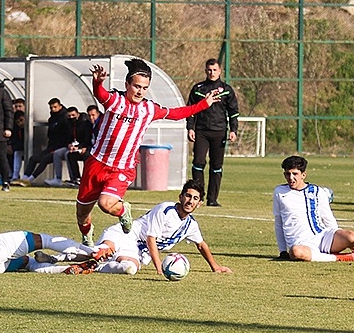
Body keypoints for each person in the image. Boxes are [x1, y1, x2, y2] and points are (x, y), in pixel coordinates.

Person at [76, 59, 220, 246]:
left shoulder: (149, 109)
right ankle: (86, 236)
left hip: (122, 168)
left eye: (144, 88)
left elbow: (177, 113)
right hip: (96, 163)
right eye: (136, 86)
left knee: (105, 203)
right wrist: (97, 82)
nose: (140, 91)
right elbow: (100, 94)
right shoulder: (115, 101)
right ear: (127, 84)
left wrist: (204, 104)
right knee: (82, 214)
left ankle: (122, 211)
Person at [37, 179, 232, 275]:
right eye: (188, 196)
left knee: (129, 268)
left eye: (195, 199)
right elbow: (151, 239)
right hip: (124, 234)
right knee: (99, 251)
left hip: (137, 252)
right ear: (180, 197)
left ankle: (88, 267)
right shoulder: (165, 210)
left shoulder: (191, 225)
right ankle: (53, 256)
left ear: (199, 204)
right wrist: (159, 268)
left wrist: (215, 267)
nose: (190, 201)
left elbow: (201, 245)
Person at [273, 156, 354, 262]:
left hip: (323, 237)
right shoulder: (279, 192)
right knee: (296, 252)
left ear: (303, 175)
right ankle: (343, 258)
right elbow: (279, 223)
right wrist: (283, 251)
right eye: (288, 174)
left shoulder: (317, 191)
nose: (291, 178)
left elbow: (328, 218)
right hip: (300, 243)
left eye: (295, 174)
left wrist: (337, 234)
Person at [186, 58, 240, 207]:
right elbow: (191, 110)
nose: (212, 73)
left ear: (220, 71)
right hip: (201, 131)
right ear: (205, 71)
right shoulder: (198, 88)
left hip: (220, 132)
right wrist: (190, 127)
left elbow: (233, 112)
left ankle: (212, 199)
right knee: (198, 163)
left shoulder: (227, 90)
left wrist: (233, 130)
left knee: (216, 166)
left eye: (215, 70)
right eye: (209, 70)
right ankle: (198, 197)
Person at [12, 98, 70, 187]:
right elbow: (51, 135)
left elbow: (66, 135)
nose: (53, 109)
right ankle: (24, 178)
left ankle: (30, 179)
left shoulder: (65, 118)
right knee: (33, 158)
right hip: (52, 146)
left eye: (55, 107)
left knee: (44, 159)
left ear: (60, 106)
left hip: (60, 147)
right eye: (51, 108)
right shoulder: (52, 119)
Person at [64, 105, 99, 187]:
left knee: (87, 156)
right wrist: (79, 147)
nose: (91, 117)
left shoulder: (100, 124)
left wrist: (84, 147)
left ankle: (88, 180)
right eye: (89, 115)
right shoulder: (88, 124)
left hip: (96, 150)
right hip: (86, 147)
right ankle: (76, 179)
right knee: (70, 155)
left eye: (93, 115)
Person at [10, 110, 25, 181]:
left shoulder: (31, 128)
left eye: (21, 120)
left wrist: (13, 148)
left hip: (32, 148)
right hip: (20, 148)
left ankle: (15, 176)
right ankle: (10, 175)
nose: (20, 123)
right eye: (18, 122)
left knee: (17, 153)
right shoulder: (17, 130)